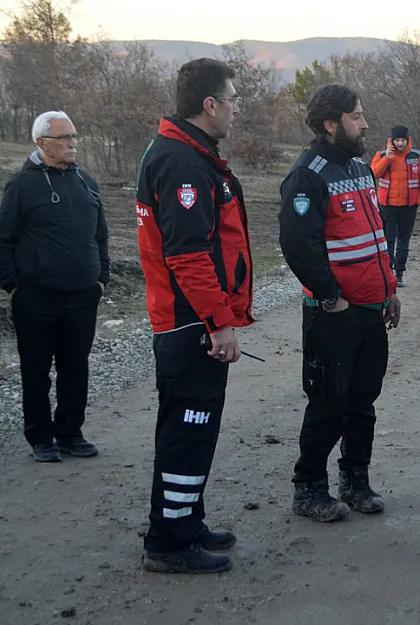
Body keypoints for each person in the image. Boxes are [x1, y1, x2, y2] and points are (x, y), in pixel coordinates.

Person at [136, 58, 251, 574]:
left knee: (189, 428)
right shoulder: (182, 162)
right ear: (209, 104)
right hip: (190, 325)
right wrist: (219, 322)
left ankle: (185, 518)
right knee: (189, 426)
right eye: (232, 99)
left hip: (188, 321)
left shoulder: (192, 155)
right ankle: (171, 542)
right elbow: (188, 254)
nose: (236, 109)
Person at [279, 84, 401, 523]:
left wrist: (389, 291)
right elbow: (298, 245)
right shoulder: (306, 175)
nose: (366, 124)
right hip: (333, 314)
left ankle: (356, 480)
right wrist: (330, 297)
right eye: (357, 116)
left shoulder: (359, 167)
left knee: (363, 400)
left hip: (371, 310)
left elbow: (374, 236)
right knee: (328, 402)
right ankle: (309, 488)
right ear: (331, 124)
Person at [0, 111, 109, 462]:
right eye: (63, 138)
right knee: (36, 368)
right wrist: (13, 285)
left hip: (82, 294)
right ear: (41, 143)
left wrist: (101, 277)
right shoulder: (22, 186)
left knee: (75, 366)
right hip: (36, 296)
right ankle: (40, 437)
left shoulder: (86, 183)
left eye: (74, 136)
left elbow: (100, 234)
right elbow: (4, 239)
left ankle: (70, 433)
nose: (72, 143)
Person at [371, 125, 420, 287]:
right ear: (392, 140)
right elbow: (373, 174)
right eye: (397, 140)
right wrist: (387, 159)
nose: (400, 143)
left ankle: (399, 274)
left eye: (402, 139)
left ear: (407, 139)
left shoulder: (416, 156)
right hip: (387, 206)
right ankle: (387, 273)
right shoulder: (382, 154)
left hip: (409, 206)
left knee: (404, 241)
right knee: (387, 240)